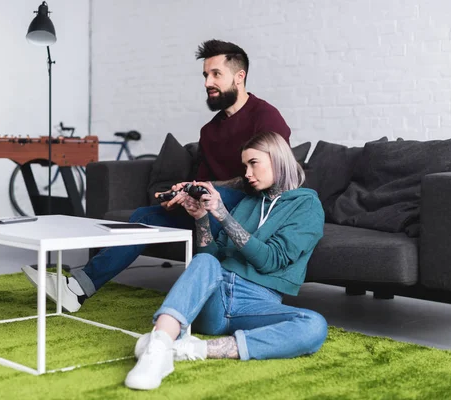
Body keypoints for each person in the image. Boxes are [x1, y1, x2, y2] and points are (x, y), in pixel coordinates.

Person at [21, 39, 292, 312]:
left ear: (239, 76)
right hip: (209, 211)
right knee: (144, 216)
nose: (208, 82)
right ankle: (78, 289)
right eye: (205, 75)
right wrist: (185, 194)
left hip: (249, 212)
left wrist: (206, 189)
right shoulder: (210, 131)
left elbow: (276, 175)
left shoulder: (266, 118)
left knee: (208, 198)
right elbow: (203, 182)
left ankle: (77, 288)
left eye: (216, 74)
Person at [124, 132, 327, 390]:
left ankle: (188, 349)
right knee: (206, 262)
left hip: (256, 304)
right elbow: (210, 257)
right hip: (213, 300)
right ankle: (159, 344)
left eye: (254, 163)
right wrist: (201, 218)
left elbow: (271, 261)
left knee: (314, 326)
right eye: (245, 166)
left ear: (278, 159)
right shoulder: (248, 202)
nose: (247, 173)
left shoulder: (307, 204)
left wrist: (223, 215)